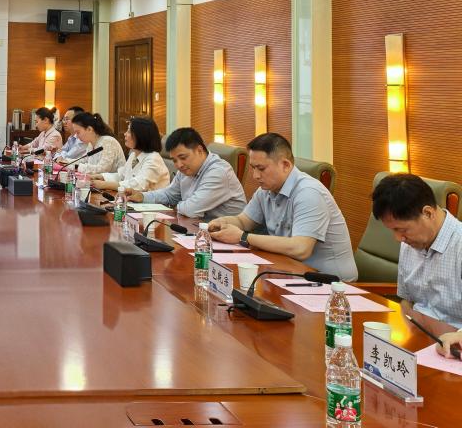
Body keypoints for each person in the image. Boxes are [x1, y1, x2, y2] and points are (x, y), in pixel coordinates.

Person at [208, 133, 357, 281]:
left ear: (285, 165)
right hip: (290, 269)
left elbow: (301, 249)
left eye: (261, 168)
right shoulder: (266, 190)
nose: (255, 175)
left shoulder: (309, 193)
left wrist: (243, 237)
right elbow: (244, 221)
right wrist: (223, 222)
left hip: (331, 282)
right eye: (253, 168)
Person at [372, 174, 462, 344]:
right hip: (418, 337)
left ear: (428, 213)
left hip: (453, 345)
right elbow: (406, 300)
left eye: (402, 230)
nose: (398, 238)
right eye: (393, 230)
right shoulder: (410, 242)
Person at [125, 127, 246, 220]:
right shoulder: (186, 170)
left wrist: (175, 205)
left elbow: (191, 209)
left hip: (229, 238)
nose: (179, 165)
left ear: (199, 150)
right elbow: (169, 195)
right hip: (197, 228)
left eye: (183, 157)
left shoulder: (218, 172)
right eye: (174, 160)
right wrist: (143, 196)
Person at [93, 116, 169, 193]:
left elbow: (138, 185)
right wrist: (100, 177)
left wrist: (105, 185)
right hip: (133, 198)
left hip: (152, 200)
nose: (125, 134)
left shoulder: (154, 159)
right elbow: (121, 176)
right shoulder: (133, 155)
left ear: (140, 135)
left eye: (129, 131)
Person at [72, 112, 124, 178]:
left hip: (115, 183)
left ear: (89, 129)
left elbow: (103, 169)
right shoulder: (91, 144)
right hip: (97, 181)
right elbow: (82, 161)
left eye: (78, 132)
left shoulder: (108, 141)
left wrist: (77, 167)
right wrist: (65, 162)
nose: (76, 136)